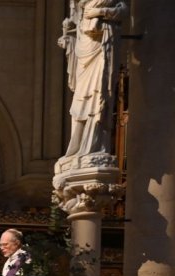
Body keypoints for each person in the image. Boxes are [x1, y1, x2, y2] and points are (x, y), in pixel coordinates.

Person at [58, 0, 128, 161]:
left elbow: (123, 10)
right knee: (79, 103)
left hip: (102, 49)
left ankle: (94, 147)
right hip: (85, 56)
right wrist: (69, 40)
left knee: (98, 98)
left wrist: (101, 12)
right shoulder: (80, 5)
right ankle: (77, 149)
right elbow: (77, 32)